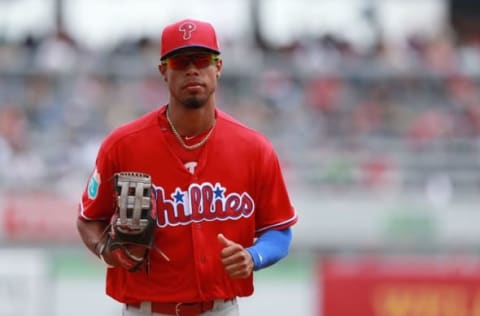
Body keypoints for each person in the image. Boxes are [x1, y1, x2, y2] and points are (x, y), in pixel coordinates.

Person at [76, 18, 298, 316]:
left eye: (202, 59)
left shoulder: (254, 149)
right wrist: (107, 252)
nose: (192, 69)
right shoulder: (123, 146)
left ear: (218, 67)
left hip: (220, 308)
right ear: (164, 72)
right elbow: (89, 218)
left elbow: (279, 230)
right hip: (147, 309)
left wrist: (253, 256)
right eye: (180, 61)